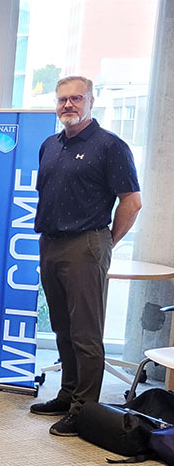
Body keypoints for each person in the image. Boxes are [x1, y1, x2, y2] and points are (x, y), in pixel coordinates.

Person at [31, 76, 142, 437]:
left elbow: (132, 201)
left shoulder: (111, 146)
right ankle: (66, 394)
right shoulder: (50, 145)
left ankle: (85, 409)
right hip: (50, 242)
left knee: (86, 333)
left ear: (91, 100)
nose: (68, 105)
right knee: (62, 327)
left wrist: (107, 241)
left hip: (86, 243)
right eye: (62, 99)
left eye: (76, 98)